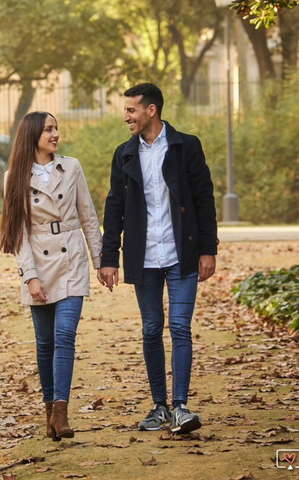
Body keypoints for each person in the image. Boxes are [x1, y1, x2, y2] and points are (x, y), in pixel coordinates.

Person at [97, 83, 218, 435]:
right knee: (151, 329)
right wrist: (109, 258)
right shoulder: (124, 153)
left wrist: (208, 249)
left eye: (131, 110)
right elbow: (114, 207)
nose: (126, 117)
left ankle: (181, 406)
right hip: (143, 255)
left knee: (180, 327)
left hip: (183, 253)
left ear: (151, 110)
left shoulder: (186, 146)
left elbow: (204, 198)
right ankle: (159, 406)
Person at [0, 111, 102, 441]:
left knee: (64, 335)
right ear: (32, 135)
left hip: (72, 259)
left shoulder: (71, 167)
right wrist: (30, 276)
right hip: (39, 265)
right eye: (48, 129)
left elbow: (88, 216)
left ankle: (61, 410)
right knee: (45, 343)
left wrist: (101, 261)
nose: (55, 134)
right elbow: (18, 233)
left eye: (56, 128)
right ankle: (49, 412)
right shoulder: (14, 175)